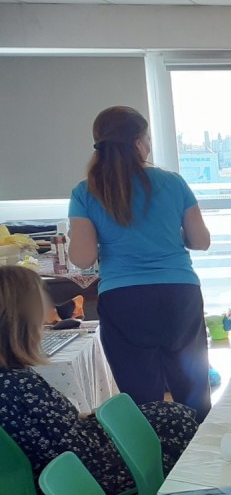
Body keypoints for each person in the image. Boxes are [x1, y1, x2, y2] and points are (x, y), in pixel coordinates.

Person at [0, 266, 198, 495]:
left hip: (67, 465)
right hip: (73, 478)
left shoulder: (12, 378)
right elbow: (71, 448)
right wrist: (107, 423)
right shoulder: (18, 384)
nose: (48, 310)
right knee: (174, 422)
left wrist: (98, 419)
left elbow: (55, 432)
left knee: (168, 414)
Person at [67, 106, 213, 420]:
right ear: (138, 143)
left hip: (124, 298)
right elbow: (201, 240)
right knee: (193, 391)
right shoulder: (173, 182)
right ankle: (200, 446)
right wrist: (169, 235)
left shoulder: (85, 192)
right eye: (147, 139)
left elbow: (82, 257)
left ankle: (152, 449)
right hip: (178, 294)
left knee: (141, 398)